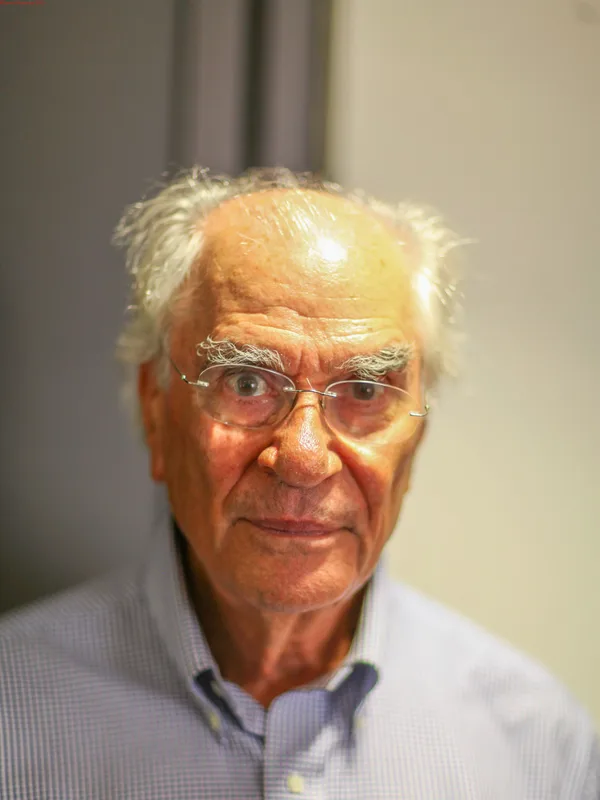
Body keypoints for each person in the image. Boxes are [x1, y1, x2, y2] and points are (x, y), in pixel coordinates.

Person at [0, 168, 597, 799]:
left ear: (418, 437)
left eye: (364, 390)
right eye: (246, 382)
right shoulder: (15, 713)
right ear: (156, 408)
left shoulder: (537, 749)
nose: (304, 458)